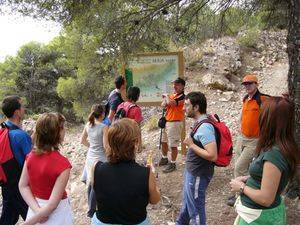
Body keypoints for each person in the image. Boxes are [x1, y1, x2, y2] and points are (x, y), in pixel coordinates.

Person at [230, 96, 299, 225]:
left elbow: (266, 198)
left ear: (268, 120)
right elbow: (270, 178)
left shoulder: (274, 154)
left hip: (258, 218)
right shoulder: (280, 145)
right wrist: (249, 178)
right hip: (259, 214)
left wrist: (241, 187)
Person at [91, 118, 160, 225]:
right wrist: (152, 177)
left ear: (110, 141)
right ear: (135, 143)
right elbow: (154, 200)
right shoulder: (146, 173)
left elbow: (101, 194)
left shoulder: (96, 167)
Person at [19, 113, 73, 225]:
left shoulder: (30, 156)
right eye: (63, 127)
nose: (65, 130)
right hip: (57, 215)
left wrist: (37, 211)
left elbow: (23, 185)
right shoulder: (63, 165)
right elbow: (52, 205)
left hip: (35, 207)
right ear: (57, 134)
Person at [176, 92, 218, 225]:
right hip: (193, 172)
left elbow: (212, 155)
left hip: (198, 174)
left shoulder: (205, 127)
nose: (183, 108)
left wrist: (191, 145)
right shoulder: (200, 122)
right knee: (188, 203)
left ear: (196, 107)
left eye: (187, 105)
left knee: (196, 210)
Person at [227, 74, 269, 206]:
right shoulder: (245, 98)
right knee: (238, 166)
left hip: (255, 140)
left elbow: (272, 111)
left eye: (250, 83)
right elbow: (243, 116)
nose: (247, 86)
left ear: (256, 84)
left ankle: (239, 196)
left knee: (240, 167)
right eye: (245, 84)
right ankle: (242, 193)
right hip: (242, 137)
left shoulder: (263, 99)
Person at [0, 95, 32, 225]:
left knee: (7, 219)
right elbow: (32, 163)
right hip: (21, 187)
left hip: (6, 184)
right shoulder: (21, 136)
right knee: (34, 218)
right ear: (17, 112)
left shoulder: (3, 130)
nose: (24, 109)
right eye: (22, 106)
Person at [80, 104, 109, 218]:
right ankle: (91, 211)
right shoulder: (104, 127)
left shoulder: (88, 125)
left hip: (90, 156)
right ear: (102, 114)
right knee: (96, 184)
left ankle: (90, 207)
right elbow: (106, 146)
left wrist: (92, 146)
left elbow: (82, 141)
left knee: (91, 183)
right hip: (100, 158)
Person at [159, 77, 185, 173]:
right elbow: (163, 104)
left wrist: (166, 96)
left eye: (177, 84)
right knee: (164, 141)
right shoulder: (172, 95)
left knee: (173, 145)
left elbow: (171, 103)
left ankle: (173, 163)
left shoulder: (182, 96)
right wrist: (167, 99)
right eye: (174, 84)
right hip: (167, 121)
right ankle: (164, 158)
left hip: (175, 122)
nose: (174, 86)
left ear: (182, 86)